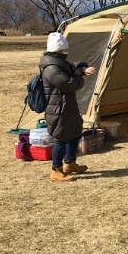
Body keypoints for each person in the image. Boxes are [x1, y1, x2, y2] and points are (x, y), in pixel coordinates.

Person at [40, 32, 96, 182]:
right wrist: (79, 75)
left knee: (75, 132)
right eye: (64, 50)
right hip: (58, 108)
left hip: (67, 106)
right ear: (58, 51)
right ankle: (55, 170)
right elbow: (70, 84)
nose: (66, 53)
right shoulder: (52, 69)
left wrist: (82, 69)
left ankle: (69, 163)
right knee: (62, 137)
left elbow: (73, 66)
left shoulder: (60, 63)